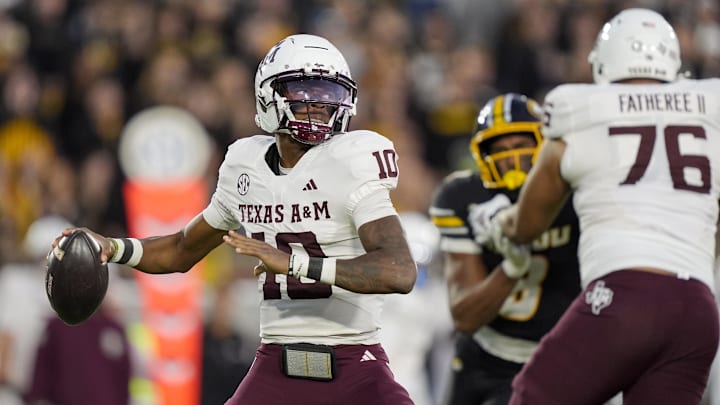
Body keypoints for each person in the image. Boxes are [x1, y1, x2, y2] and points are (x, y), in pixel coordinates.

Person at [52, 33, 417, 405]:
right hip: (276, 367)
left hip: (355, 365)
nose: (319, 105)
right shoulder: (246, 167)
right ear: (268, 97)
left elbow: (399, 270)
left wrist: (295, 263)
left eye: (328, 93)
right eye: (304, 92)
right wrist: (111, 247)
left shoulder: (351, 160)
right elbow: (181, 249)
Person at [488, 8, 720, 404]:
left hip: (626, 294)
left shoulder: (579, 110)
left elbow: (529, 223)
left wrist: (502, 223)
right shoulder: (710, 105)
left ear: (603, 62)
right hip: (698, 307)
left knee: (534, 394)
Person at [428, 93, 581, 404]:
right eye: (500, 149)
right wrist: (511, 267)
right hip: (485, 353)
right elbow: (465, 317)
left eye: (521, 146)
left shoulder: (575, 193)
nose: (512, 158)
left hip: (558, 357)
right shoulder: (463, 196)